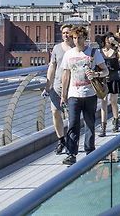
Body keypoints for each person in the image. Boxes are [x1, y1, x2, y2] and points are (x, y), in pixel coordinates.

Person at [60, 26, 108, 166]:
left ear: (85, 38)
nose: (76, 41)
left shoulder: (93, 52)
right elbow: (66, 75)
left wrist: (96, 74)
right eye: (74, 38)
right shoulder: (68, 54)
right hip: (73, 95)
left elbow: (105, 71)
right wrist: (63, 95)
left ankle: (89, 152)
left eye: (79, 38)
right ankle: (71, 154)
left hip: (90, 94)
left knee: (90, 123)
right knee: (73, 124)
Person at [44, 24, 74, 154]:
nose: (66, 35)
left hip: (72, 87)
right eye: (64, 33)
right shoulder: (56, 48)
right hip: (57, 86)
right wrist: (48, 85)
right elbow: (52, 66)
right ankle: (61, 139)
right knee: (55, 112)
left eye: (68, 33)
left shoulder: (77, 48)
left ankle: (71, 140)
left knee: (71, 116)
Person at [101, 32, 120, 133]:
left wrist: (117, 44)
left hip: (114, 77)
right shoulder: (99, 51)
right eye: (106, 37)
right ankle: (103, 127)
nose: (108, 39)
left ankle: (116, 121)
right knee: (103, 101)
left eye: (110, 37)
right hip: (103, 78)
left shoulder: (115, 50)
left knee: (113, 101)